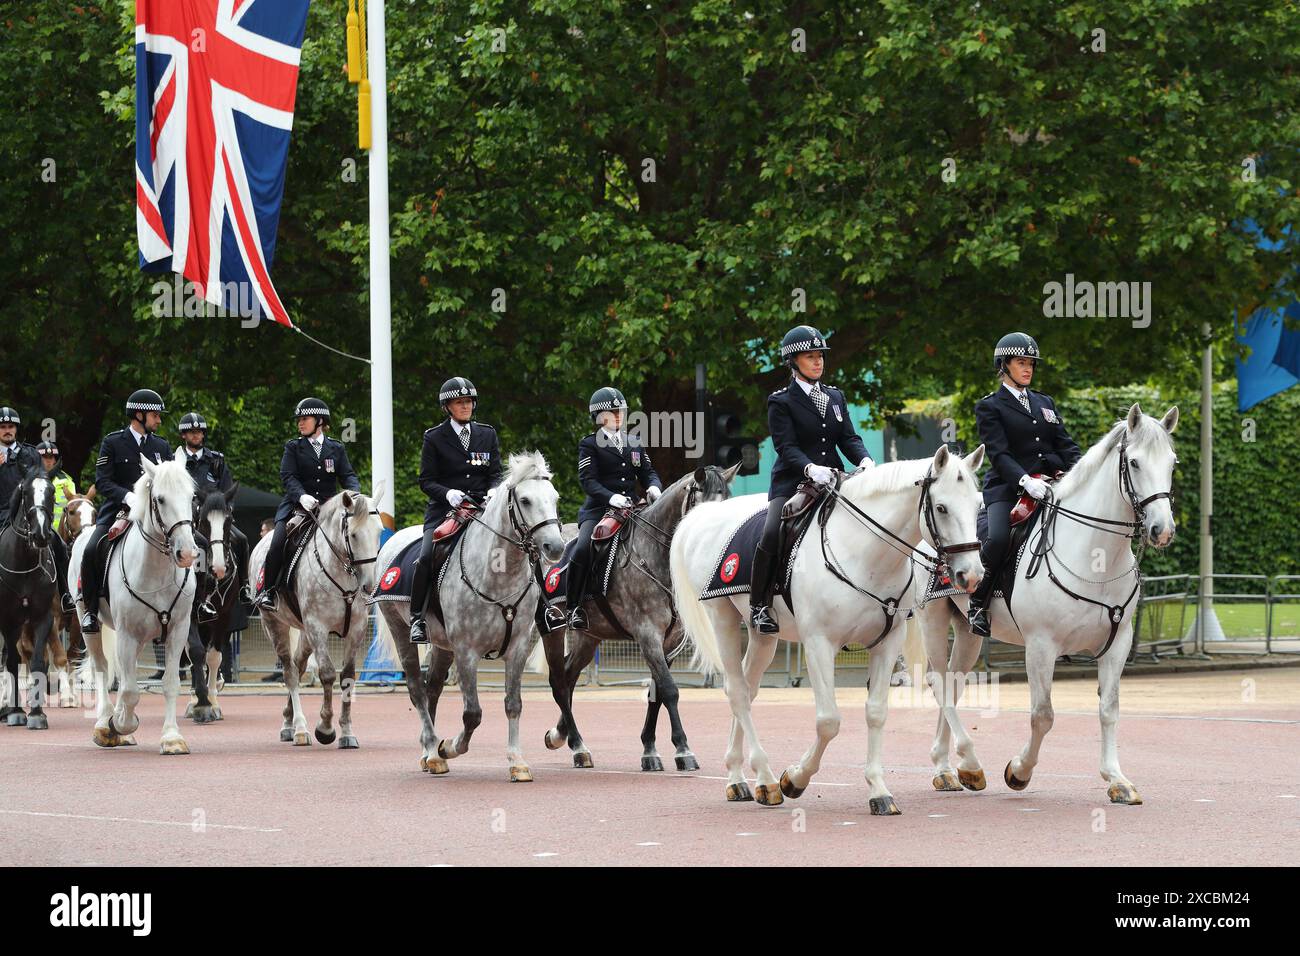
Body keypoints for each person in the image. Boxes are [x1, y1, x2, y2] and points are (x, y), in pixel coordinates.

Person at [750, 326, 873, 634]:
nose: (818, 362)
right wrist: (809, 468)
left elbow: (848, 438)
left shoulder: (835, 396)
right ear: (793, 361)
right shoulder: (781, 401)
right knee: (770, 533)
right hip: (793, 481)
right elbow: (786, 447)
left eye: (820, 356)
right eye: (810, 357)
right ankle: (761, 605)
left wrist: (865, 459)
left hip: (834, 478)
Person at [966, 332, 1082, 638]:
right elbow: (999, 454)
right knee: (999, 539)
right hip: (1007, 488)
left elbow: (1065, 445)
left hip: (1051, 486)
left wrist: (1082, 472)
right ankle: (978, 603)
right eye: (1021, 363)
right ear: (1004, 366)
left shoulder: (1045, 402)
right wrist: (1025, 481)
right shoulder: (990, 406)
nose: (1028, 368)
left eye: (1031, 363)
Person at [407, 377, 504, 644]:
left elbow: (495, 473)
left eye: (469, 401)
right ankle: (418, 618)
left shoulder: (488, 434)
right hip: (445, 511)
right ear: (447, 407)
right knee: (426, 556)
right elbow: (426, 481)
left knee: (516, 545)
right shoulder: (434, 437)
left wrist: (495, 489)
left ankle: (540, 609)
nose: (465, 406)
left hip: (482, 510)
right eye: (459, 402)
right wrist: (447, 493)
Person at [565, 386, 662, 631]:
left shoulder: (635, 443)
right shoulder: (589, 444)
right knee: (582, 549)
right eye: (612, 411)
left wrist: (654, 487)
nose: (618, 415)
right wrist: (611, 498)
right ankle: (573, 607)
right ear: (599, 417)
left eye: (621, 410)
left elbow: (648, 472)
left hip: (632, 509)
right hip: (599, 510)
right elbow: (588, 481)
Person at [79, 390, 175, 634]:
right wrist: (128, 496)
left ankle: (195, 602)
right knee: (91, 550)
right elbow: (102, 481)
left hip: (156, 514)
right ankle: (90, 610)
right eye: (155, 415)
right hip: (119, 511)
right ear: (138, 414)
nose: (159, 420)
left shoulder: (161, 445)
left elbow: (171, 481)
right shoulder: (113, 442)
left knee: (193, 543)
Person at [252, 397, 359, 612]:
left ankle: (363, 588)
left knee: (356, 537)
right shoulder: (293, 447)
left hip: (329, 509)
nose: (300, 423)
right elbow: (288, 476)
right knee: (278, 541)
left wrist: (354, 495)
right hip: (298, 507)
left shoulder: (336, 448)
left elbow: (348, 475)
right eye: (299, 419)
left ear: (320, 421)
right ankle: (268, 590)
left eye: (305, 419)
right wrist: (301, 496)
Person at [0, 410, 75, 613]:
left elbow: (42, 483)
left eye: (10, 427)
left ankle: (66, 593)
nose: (7, 431)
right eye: (3, 427)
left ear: (16, 429)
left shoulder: (32, 453)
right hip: (1, 512)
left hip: (29, 513)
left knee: (58, 543)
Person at [177, 411, 251, 607]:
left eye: (199, 432)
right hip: (187, 517)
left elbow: (228, 489)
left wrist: (227, 511)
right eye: (191, 432)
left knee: (242, 540)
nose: (196, 435)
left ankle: (244, 586)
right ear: (183, 435)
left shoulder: (216, 460)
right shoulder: (176, 461)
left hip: (216, 518)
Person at [35, 440, 77, 530]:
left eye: (51, 457)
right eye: (45, 457)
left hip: (62, 534)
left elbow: (74, 509)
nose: (49, 461)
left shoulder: (67, 481)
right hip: (37, 533)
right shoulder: (30, 480)